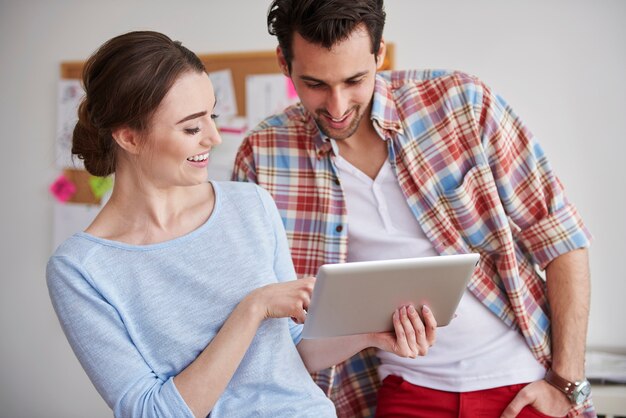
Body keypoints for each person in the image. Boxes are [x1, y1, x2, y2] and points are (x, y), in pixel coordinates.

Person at [232, 1, 594, 417]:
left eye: (355, 80)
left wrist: (567, 383)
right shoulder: (264, 155)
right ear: (284, 61)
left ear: (378, 54)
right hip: (402, 389)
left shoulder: (461, 105)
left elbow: (561, 238)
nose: (337, 106)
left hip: (524, 382)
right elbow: (263, 321)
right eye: (314, 84)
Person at [46, 30, 434, 418]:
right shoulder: (82, 268)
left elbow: (293, 349)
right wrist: (253, 309)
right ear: (129, 137)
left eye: (211, 117)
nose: (213, 138)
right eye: (192, 127)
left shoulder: (249, 205)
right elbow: (150, 412)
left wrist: (370, 334)